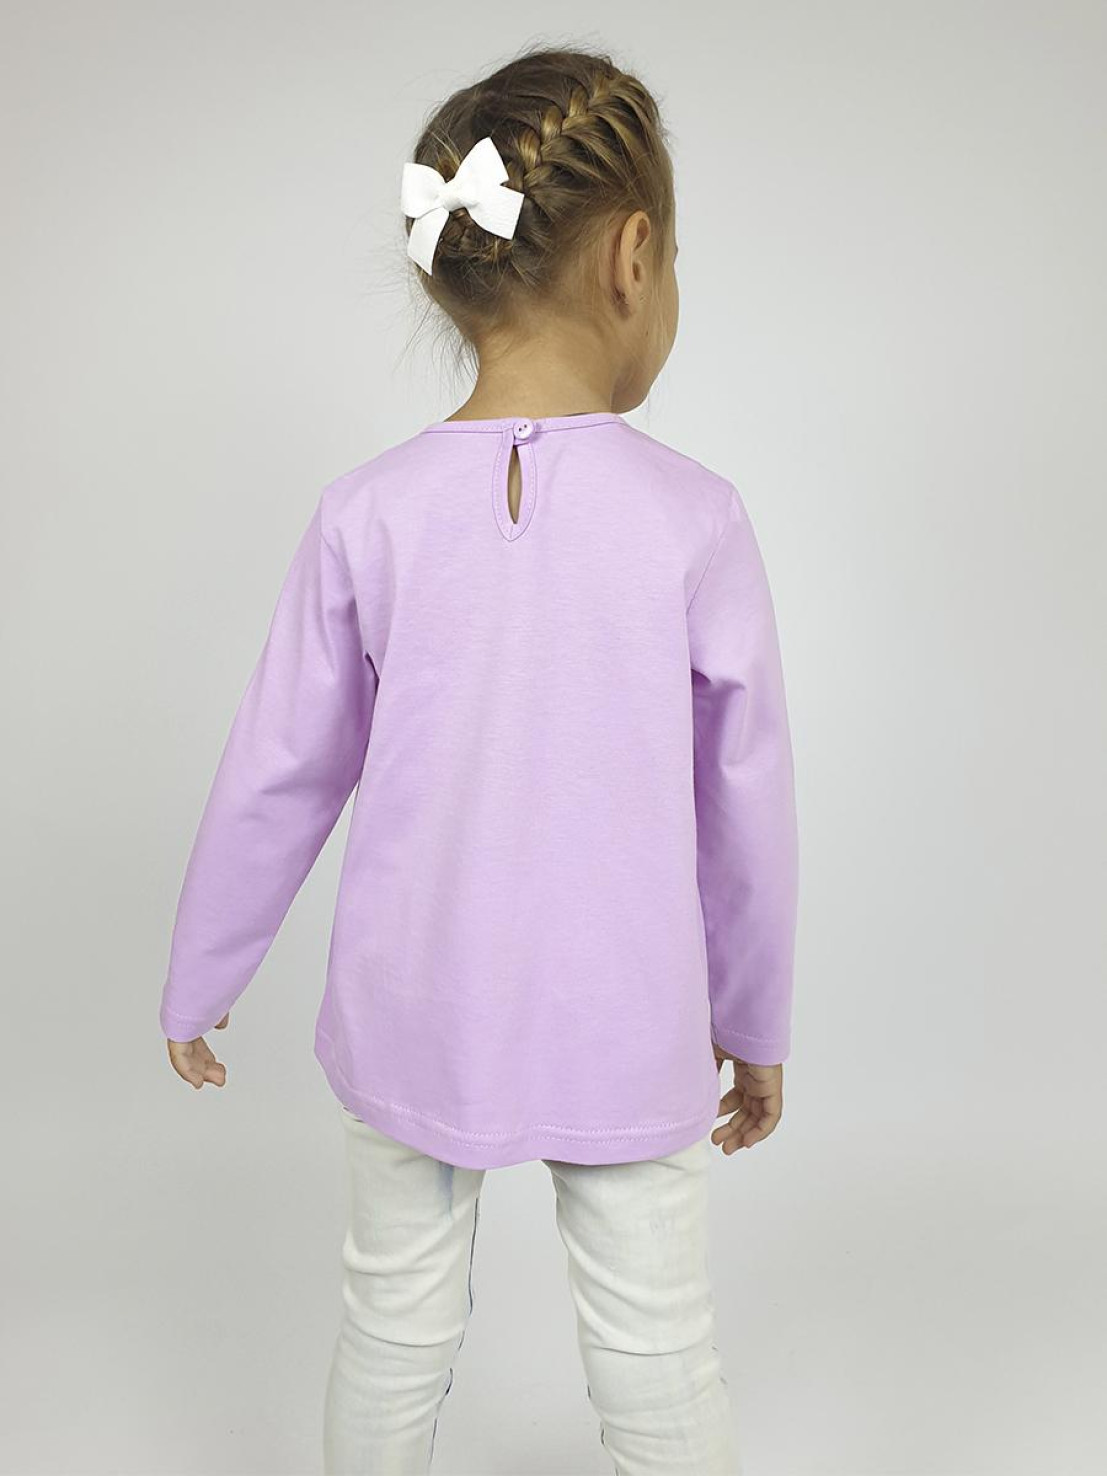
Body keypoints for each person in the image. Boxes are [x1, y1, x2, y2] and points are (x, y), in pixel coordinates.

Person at [159, 43, 800, 1476]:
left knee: (390, 1327)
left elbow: (280, 768)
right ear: (633, 258)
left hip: (412, 1000)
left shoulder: (366, 514)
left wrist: (201, 976)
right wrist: (754, 1019)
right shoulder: (696, 520)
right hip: (628, 1009)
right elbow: (744, 799)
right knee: (658, 1347)